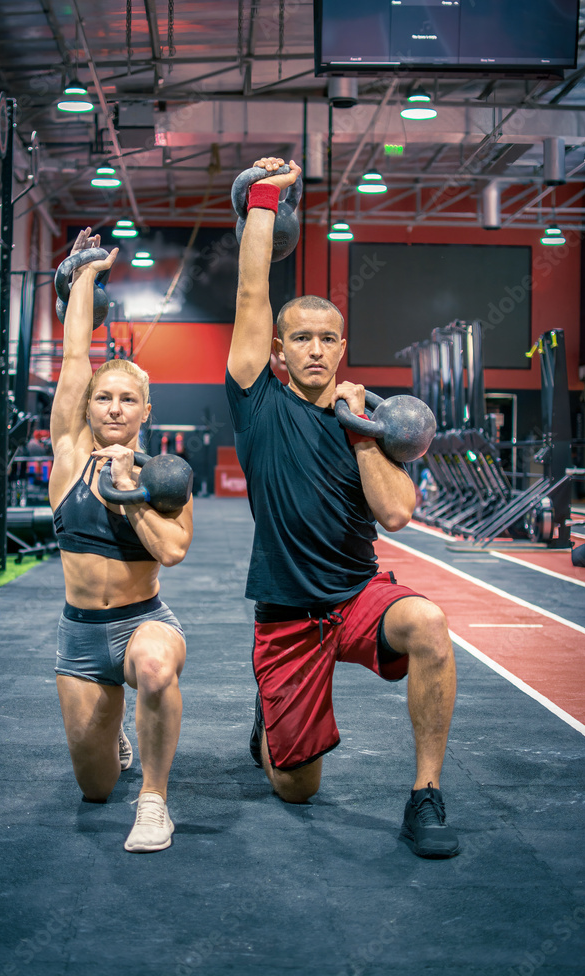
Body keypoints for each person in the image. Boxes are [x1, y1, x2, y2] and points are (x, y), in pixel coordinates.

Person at [226, 158, 459, 859]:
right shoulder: (255, 400)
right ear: (279, 349)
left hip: (356, 597)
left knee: (428, 623)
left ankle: (425, 796)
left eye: (328, 339)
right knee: (296, 789)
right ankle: (272, 724)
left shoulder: (369, 422)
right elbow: (248, 292)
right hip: (287, 615)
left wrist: (361, 433)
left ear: (342, 349)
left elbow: (396, 516)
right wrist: (265, 198)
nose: (316, 349)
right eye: (301, 337)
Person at [49, 228, 193, 853]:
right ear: (89, 407)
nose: (112, 407)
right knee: (95, 786)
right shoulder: (66, 457)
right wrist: (84, 273)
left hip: (143, 621)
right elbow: (75, 356)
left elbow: (173, 552)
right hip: (80, 636)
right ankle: (115, 740)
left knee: (157, 669)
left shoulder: (164, 476)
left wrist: (129, 495)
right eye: (104, 398)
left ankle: (156, 801)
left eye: (127, 399)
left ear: (144, 411)